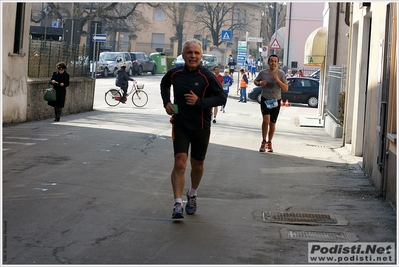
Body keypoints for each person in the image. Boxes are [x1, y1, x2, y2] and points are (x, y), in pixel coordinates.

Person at [160, 39, 226, 219]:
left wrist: (200, 102)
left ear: (201, 56)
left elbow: (221, 98)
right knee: (180, 162)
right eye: (189, 52)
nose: (193, 56)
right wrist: (166, 102)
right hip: (180, 124)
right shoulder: (174, 73)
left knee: (197, 166)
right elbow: (164, 84)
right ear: (183, 55)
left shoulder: (208, 76)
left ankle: (192, 194)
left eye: (196, 53)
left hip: (201, 127)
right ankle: (177, 204)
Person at [253, 54, 288, 152]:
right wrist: (260, 84)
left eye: (275, 61)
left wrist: (278, 81)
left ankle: (269, 142)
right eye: (271, 61)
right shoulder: (263, 73)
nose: (273, 63)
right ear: (268, 62)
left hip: (276, 100)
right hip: (265, 99)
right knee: (266, 120)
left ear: (278, 63)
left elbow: (285, 88)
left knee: (272, 124)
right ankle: (263, 141)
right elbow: (255, 81)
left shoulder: (281, 74)